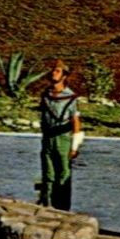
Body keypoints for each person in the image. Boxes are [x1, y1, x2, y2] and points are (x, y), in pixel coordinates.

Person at [38, 60, 82, 210]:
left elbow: (76, 121)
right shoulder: (45, 95)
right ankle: (46, 205)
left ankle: (62, 208)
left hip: (63, 139)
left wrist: (75, 146)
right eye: (53, 70)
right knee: (48, 173)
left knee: (64, 174)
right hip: (48, 138)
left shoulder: (71, 97)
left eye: (57, 71)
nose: (53, 73)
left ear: (64, 76)